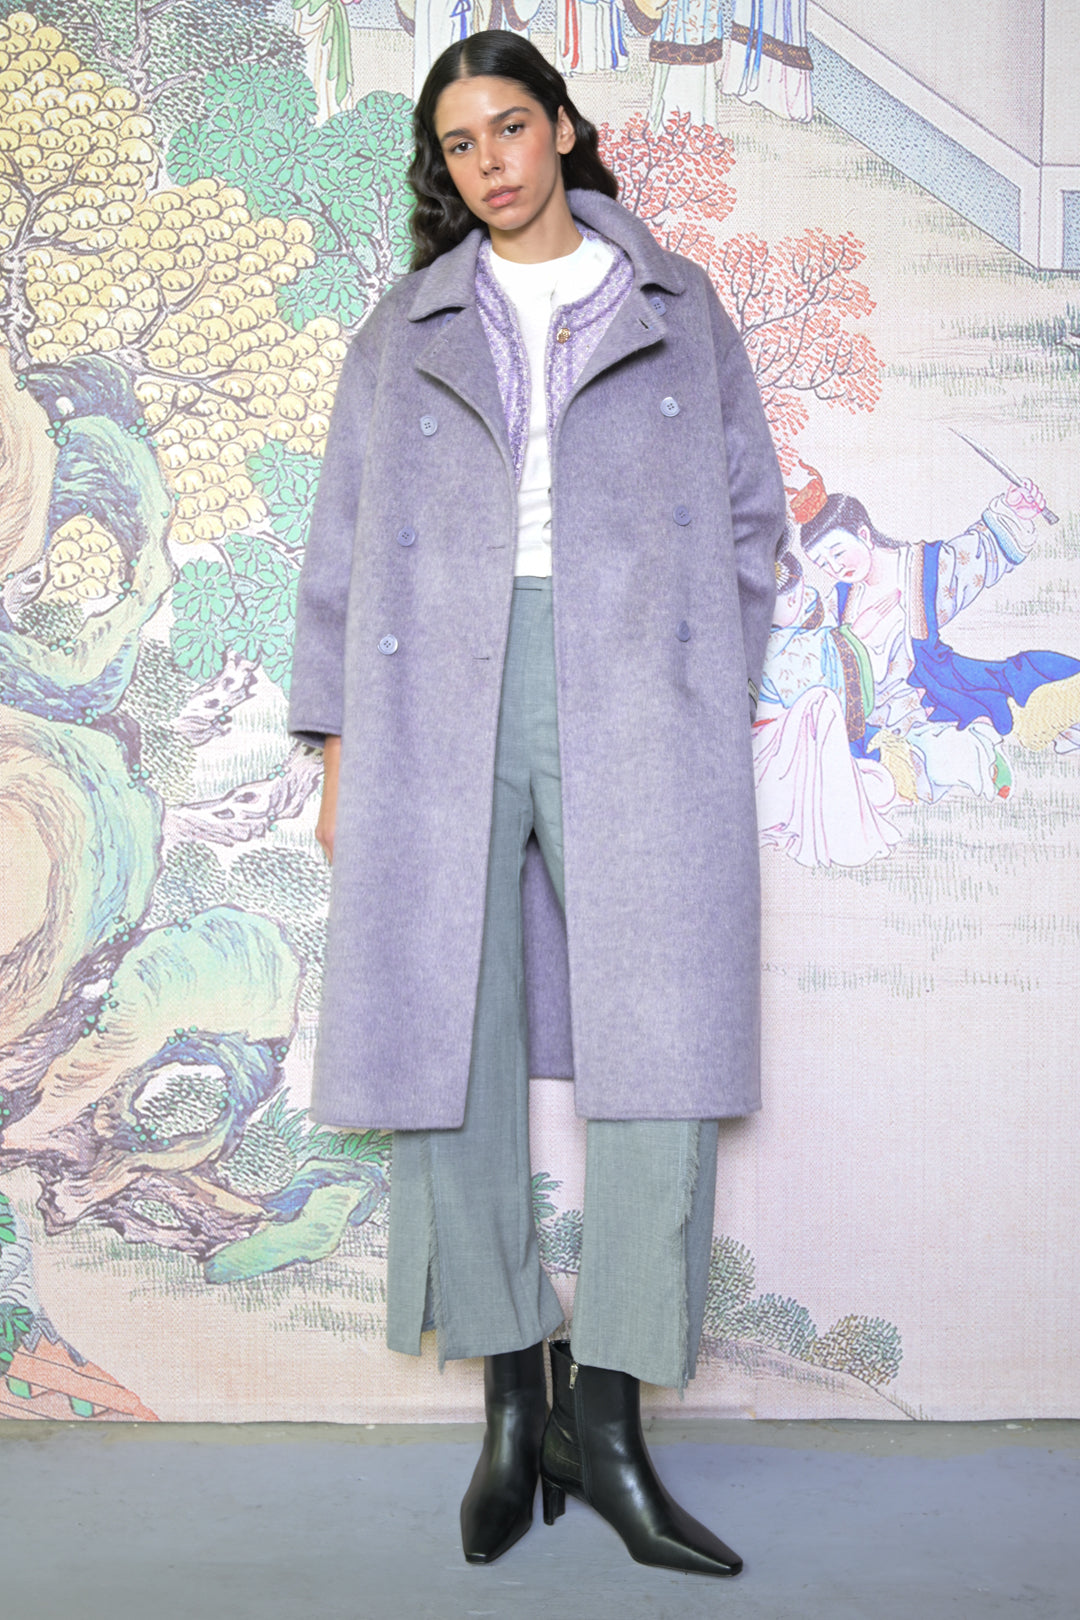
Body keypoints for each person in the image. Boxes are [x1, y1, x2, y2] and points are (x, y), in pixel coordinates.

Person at [288, 30, 785, 1577]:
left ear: (562, 128)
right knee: (450, 1030)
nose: (489, 160)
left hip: (636, 689)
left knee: (665, 1039)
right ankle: (515, 1406)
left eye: (510, 125)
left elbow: (752, 514)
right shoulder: (405, 328)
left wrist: (706, 671)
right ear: (441, 165)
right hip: (437, 691)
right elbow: (341, 544)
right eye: (459, 141)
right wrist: (340, 751)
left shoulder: (675, 306)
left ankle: (608, 1425)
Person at [798, 474, 1080, 806]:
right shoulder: (839, 602)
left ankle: (978, 758)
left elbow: (976, 557)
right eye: (822, 563)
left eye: (837, 553)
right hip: (872, 714)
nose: (834, 567)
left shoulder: (920, 569)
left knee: (1011, 701)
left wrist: (1013, 511)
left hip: (933, 693)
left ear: (863, 534)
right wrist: (853, 635)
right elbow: (812, 654)